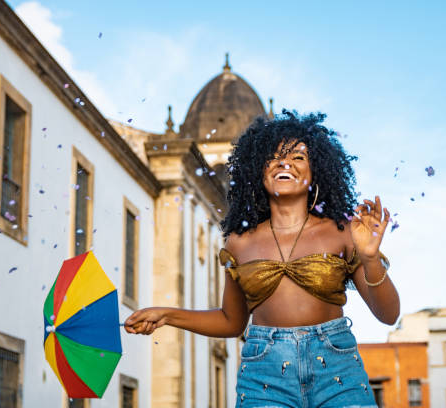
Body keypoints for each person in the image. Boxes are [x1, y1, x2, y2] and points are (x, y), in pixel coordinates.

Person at [125, 110, 400, 407]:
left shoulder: (343, 232)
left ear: (314, 173)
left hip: (337, 371)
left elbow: (388, 314)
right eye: (274, 157)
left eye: (298, 158)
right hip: (264, 375)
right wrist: (167, 315)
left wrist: (370, 258)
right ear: (258, 170)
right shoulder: (239, 242)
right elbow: (231, 322)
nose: (285, 163)